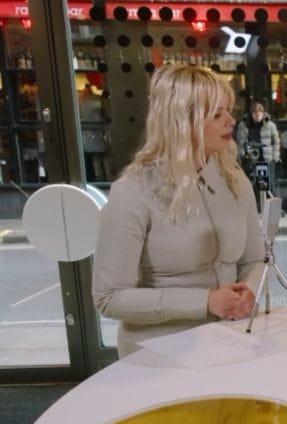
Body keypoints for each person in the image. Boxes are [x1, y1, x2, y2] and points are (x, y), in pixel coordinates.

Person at [93, 65, 264, 357]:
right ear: (183, 121)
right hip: (159, 353)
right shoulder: (133, 191)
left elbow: (255, 259)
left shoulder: (235, 182)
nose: (231, 121)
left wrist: (249, 291)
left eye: (229, 110)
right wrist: (205, 302)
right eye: (218, 114)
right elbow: (109, 298)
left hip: (233, 340)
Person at [236, 101, 281, 197]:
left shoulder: (270, 125)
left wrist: (275, 156)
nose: (257, 115)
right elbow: (240, 143)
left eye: (259, 113)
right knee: (251, 183)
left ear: (263, 113)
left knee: (269, 184)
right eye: (255, 113)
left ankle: (272, 206)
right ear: (251, 114)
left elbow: (276, 141)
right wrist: (242, 155)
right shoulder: (243, 125)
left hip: (267, 158)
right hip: (250, 158)